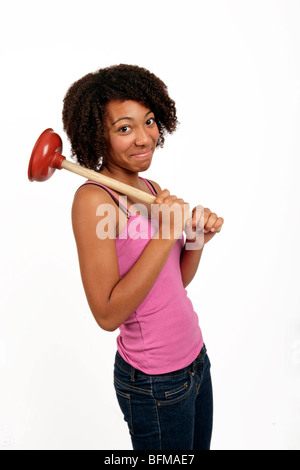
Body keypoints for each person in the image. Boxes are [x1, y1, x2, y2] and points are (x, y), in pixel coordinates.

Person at [62, 64, 224, 450]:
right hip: (155, 382)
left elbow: (173, 283)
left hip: (195, 360)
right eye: (124, 128)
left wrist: (196, 239)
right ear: (95, 134)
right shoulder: (94, 199)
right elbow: (107, 314)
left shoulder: (150, 187)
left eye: (149, 122)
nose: (143, 138)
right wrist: (166, 232)